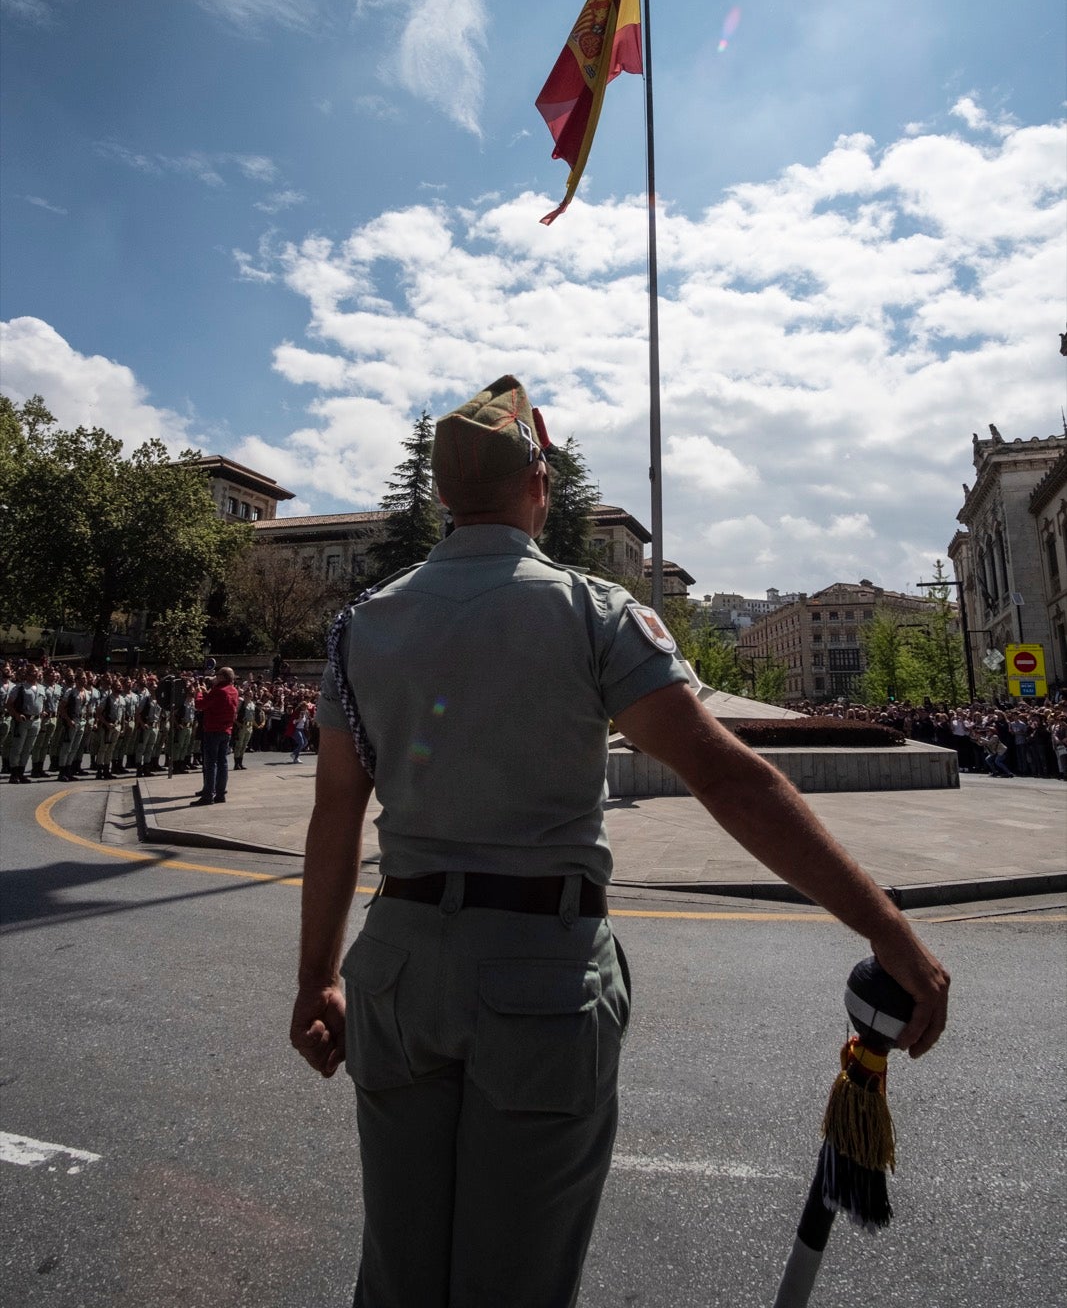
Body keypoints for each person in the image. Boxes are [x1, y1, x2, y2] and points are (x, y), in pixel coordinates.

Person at [290, 375, 950, 1308]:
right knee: (514, 1279)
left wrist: (315, 979)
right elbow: (726, 777)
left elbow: (334, 815)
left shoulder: (363, 624)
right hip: (539, 971)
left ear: (440, 494)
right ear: (539, 487)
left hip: (396, 968)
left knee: (398, 1270)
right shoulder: (588, 609)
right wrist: (884, 925)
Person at [193, 666, 239, 806]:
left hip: (213, 729)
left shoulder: (219, 691)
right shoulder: (233, 690)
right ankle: (220, 794)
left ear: (223, 677)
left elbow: (200, 705)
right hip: (226, 730)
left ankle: (208, 795)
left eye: (217, 674)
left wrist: (199, 693)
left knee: (210, 763)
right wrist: (208, 692)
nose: (215, 677)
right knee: (222, 763)